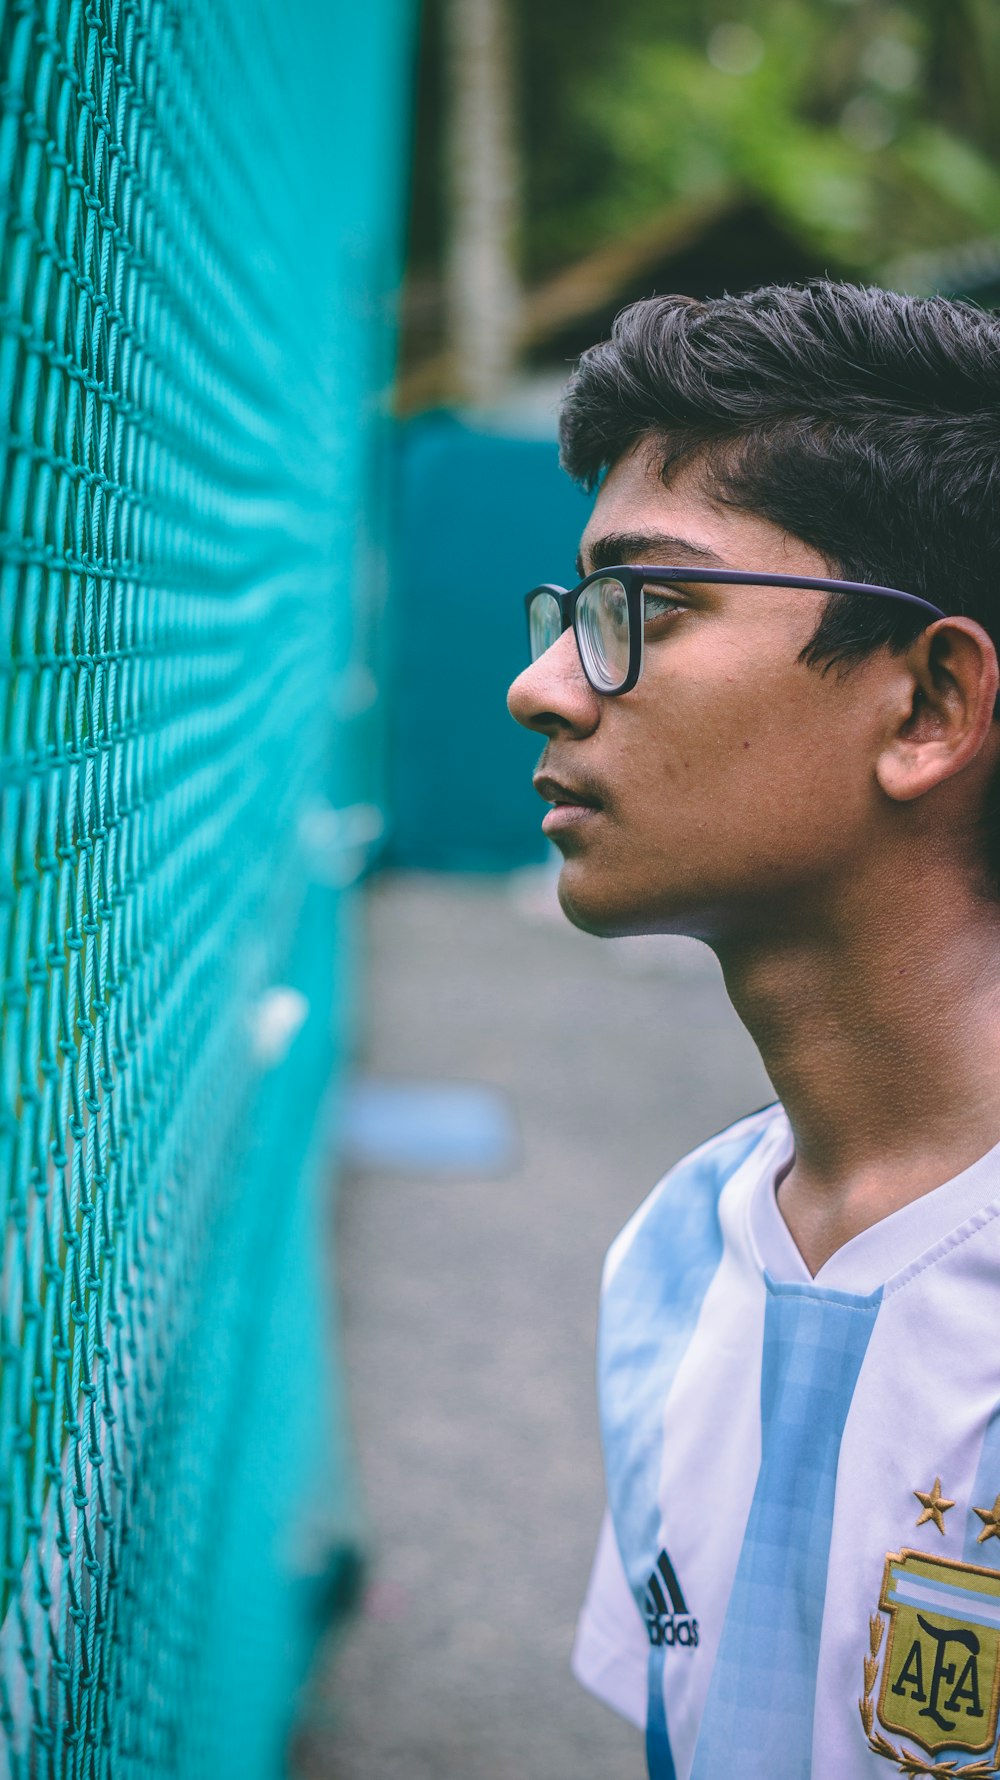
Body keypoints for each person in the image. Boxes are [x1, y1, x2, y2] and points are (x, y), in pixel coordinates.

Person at [506, 282, 1000, 1780]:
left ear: (926, 704)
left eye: (644, 609)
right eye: (572, 618)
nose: (541, 689)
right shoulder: (676, 1255)